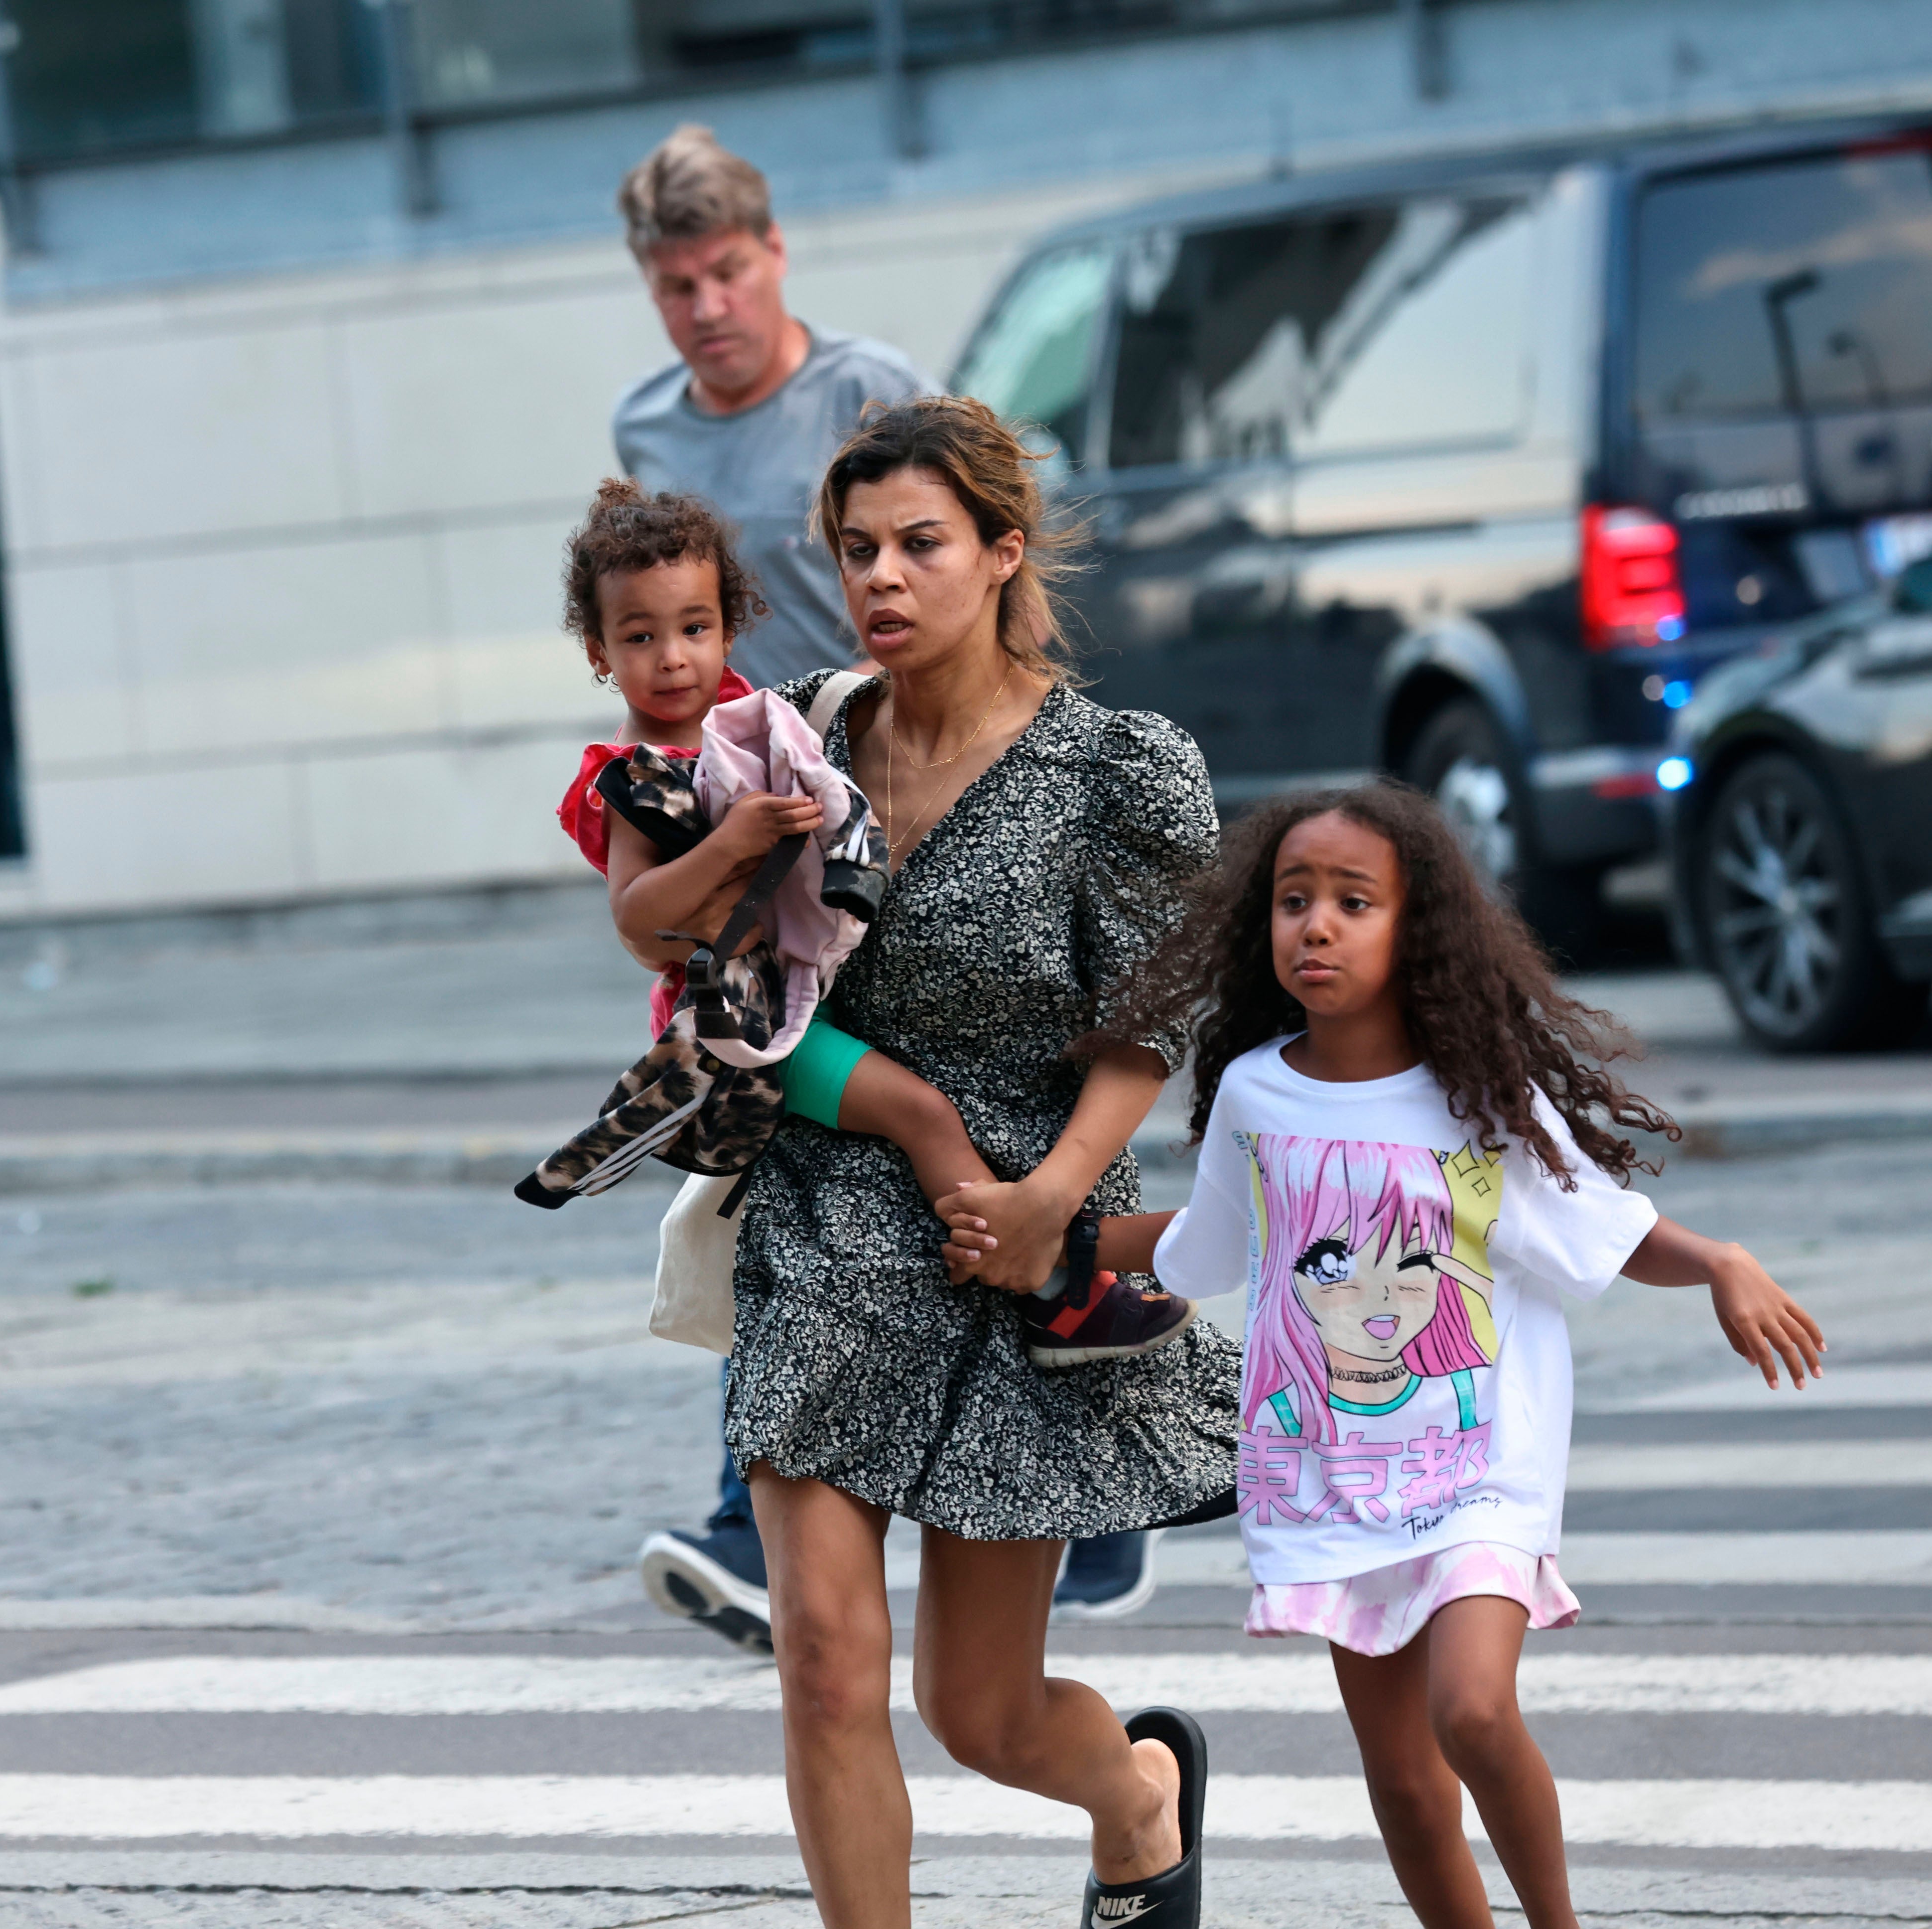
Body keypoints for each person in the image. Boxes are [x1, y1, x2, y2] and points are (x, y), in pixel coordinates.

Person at [947, 781, 1829, 1929]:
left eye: (1354, 902)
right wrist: (1040, 1233)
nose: (1316, 924)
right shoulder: (1258, 1095)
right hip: (1331, 1474)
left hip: (1479, 1468)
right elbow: (1204, 1247)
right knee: (1407, 1777)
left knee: (1470, 1712)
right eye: (1293, 899)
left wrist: (1719, 1261)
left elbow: (1603, 1230)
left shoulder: (1479, 1099)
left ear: (1418, 929)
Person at [608, 123, 1160, 1646]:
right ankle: (757, 1513)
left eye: (726, 272)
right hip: (752, 836)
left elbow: (967, 563)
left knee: (963, 1125)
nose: (705, 306)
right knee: (771, 1128)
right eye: (674, 285)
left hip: (884, 799)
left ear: (774, 255)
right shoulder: (646, 427)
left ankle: (1077, 1467)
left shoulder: (867, 387)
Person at [724, 395, 1237, 1929]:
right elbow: (726, 989)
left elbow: (1150, 1026)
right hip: (821, 1228)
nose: (879, 577)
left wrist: (1051, 1202)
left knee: (981, 1714)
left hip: (1010, 1251)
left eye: (919, 545)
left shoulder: (1115, 773)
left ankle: (1136, 1797)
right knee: (823, 1664)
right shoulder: (796, 744)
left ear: (1003, 552)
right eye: (856, 548)